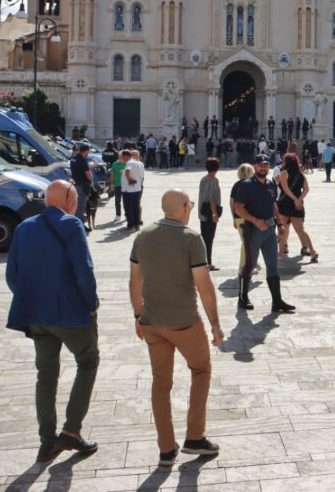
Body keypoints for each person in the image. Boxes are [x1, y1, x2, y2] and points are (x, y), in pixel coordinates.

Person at [6, 180, 100, 463]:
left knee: (45, 375)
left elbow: (12, 276)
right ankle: (71, 431)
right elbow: (84, 271)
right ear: (71, 199)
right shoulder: (71, 225)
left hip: (35, 314)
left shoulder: (24, 227)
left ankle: (46, 442)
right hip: (69, 312)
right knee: (88, 361)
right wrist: (91, 305)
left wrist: (33, 298)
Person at [129, 188, 224, 465]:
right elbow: (204, 287)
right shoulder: (191, 238)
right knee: (201, 370)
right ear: (184, 207)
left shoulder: (143, 236)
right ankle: (194, 436)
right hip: (183, 323)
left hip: (151, 322)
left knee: (161, 383)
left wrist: (138, 315)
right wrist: (215, 325)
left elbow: (135, 281)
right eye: (190, 205)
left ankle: (166, 448)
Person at [233, 155, 295, 313]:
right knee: (249, 265)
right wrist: (254, 220)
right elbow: (238, 207)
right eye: (260, 165)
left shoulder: (271, 184)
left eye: (266, 165)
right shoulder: (245, 185)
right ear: (254, 166)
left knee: (273, 266)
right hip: (253, 231)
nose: (263, 168)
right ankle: (243, 297)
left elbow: (273, 204)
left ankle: (277, 301)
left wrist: (280, 223)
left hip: (269, 231)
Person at [277, 153, 319, 262]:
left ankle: (281, 253)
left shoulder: (284, 173)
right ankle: (313, 251)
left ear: (286, 162)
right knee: (301, 230)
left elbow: (285, 189)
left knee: (283, 230)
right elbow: (306, 189)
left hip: (285, 203)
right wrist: (299, 199)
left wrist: (294, 199)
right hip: (298, 205)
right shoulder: (301, 175)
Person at [230, 164, 256, 300]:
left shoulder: (236, 185)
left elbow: (232, 203)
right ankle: (244, 266)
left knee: (247, 242)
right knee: (246, 242)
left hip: (239, 217)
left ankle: (250, 264)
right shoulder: (251, 184)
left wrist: (233, 217)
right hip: (248, 218)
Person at [197, 158, 222, 271]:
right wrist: (214, 214)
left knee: (204, 238)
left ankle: (203, 262)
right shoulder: (214, 180)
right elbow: (212, 198)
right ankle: (208, 263)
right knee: (209, 239)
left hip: (202, 213)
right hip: (210, 213)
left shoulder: (203, 179)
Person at [71, 143, 94, 232]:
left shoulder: (73, 159)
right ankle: (80, 225)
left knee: (76, 205)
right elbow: (88, 174)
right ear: (86, 151)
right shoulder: (83, 160)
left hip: (75, 184)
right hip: (82, 185)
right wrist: (91, 181)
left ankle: (75, 223)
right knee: (81, 206)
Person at [123, 149, 145, 230]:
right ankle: (137, 224)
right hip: (137, 188)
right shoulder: (140, 163)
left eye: (123, 157)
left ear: (127, 156)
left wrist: (130, 180)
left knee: (129, 207)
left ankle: (131, 224)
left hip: (129, 189)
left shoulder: (130, 162)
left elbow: (127, 171)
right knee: (136, 206)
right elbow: (142, 176)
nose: (123, 159)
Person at [111, 149, 127, 221]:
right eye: (120, 156)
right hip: (117, 185)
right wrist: (111, 183)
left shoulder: (127, 164)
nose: (121, 157)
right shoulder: (114, 164)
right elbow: (112, 174)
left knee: (126, 201)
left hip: (126, 185)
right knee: (117, 201)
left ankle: (127, 214)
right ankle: (118, 214)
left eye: (122, 156)